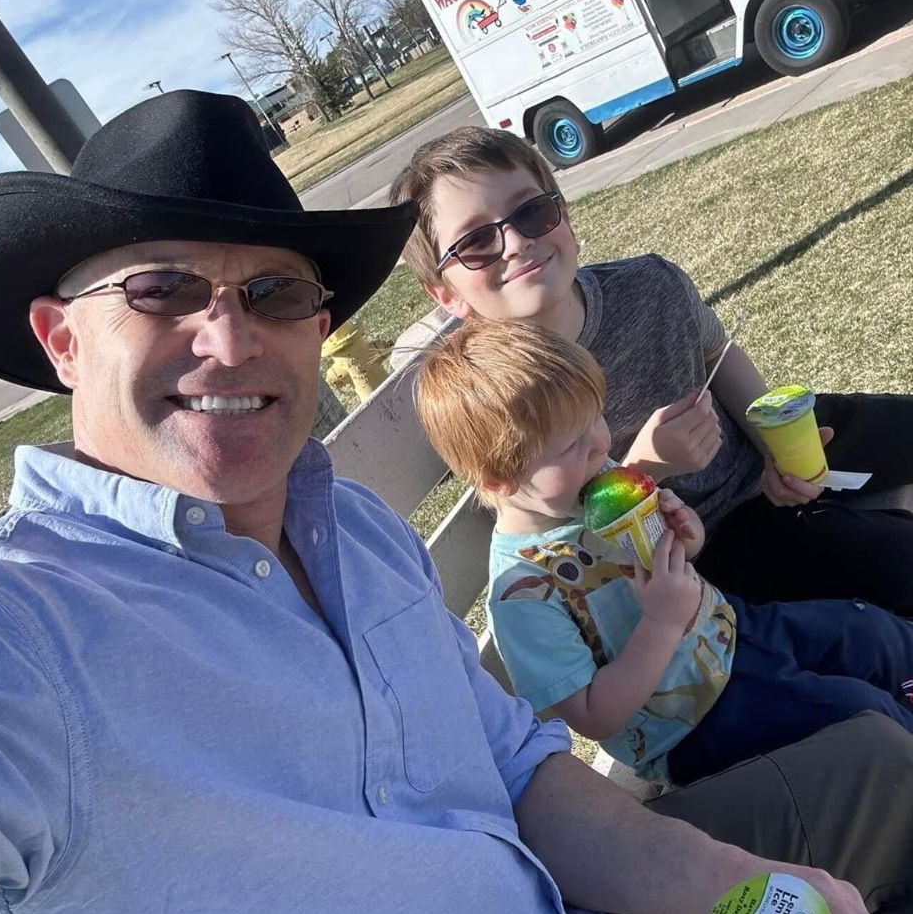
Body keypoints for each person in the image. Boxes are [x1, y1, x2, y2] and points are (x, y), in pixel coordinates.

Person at [0, 90, 889, 914]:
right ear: (63, 340)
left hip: (579, 874)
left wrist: (745, 892)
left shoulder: (360, 534)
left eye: (275, 293)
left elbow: (523, 771)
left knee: (885, 763)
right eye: (162, 290)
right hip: (683, 717)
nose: (230, 339)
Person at [388, 125, 913, 614]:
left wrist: (774, 445)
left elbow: (715, 354)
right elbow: (554, 533)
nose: (517, 242)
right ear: (444, 293)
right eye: (476, 241)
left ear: (563, 215)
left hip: (762, 462)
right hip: (700, 551)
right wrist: (647, 467)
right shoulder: (487, 393)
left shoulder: (649, 282)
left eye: (531, 212)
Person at [415, 318, 913, 790]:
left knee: (871, 633)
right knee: (860, 711)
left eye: (596, 420)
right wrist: (662, 623)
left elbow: (673, 561)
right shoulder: (521, 593)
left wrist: (684, 536)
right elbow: (593, 715)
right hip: (697, 726)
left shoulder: (596, 481)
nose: (600, 446)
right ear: (499, 481)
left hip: (735, 631)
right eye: (572, 445)